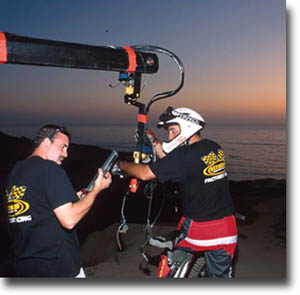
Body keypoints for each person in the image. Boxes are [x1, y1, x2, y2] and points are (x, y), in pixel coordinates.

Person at [116, 106, 238, 278]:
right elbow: (178, 166)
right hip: (227, 231)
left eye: (173, 130)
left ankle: (170, 259)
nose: (170, 136)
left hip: (200, 231)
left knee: (178, 237)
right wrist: (157, 144)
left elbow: (144, 174)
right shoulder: (214, 147)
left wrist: (121, 164)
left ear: (187, 127)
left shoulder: (183, 155)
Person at [6, 125, 112, 277]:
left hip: (25, 269)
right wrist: (97, 189)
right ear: (46, 143)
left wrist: (75, 199)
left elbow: (36, 209)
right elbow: (69, 220)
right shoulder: (49, 168)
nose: (66, 154)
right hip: (58, 268)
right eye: (63, 147)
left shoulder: (16, 172)